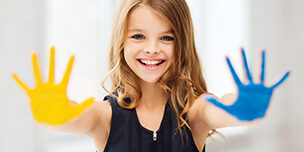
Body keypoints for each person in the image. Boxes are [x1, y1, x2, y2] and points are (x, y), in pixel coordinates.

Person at [12, 0, 290, 151]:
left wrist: (243, 110)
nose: (152, 49)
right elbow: (76, 118)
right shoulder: (105, 116)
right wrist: (57, 114)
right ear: (121, 43)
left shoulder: (194, 111)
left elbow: (222, 109)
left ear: (182, 43)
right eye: (138, 36)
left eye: (166, 37)